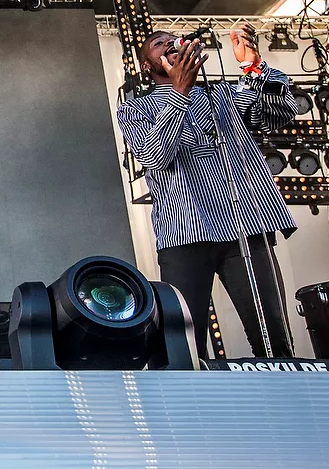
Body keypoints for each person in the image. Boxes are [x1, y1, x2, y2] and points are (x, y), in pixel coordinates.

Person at [117, 24, 298, 359]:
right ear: (146, 65)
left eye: (172, 40)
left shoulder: (223, 96)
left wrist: (254, 66)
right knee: (184, 347)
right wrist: (179, 93)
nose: (169, 44)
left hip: (245, 226)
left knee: (274, 340)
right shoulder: (134, 110)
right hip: (183, 233)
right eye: (158, 44)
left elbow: (279, 114)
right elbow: (154, 156)